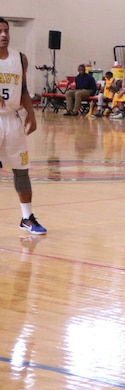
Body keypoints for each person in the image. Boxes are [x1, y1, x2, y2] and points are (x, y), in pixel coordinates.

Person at [0, 18, 45, 235]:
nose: (4, 35)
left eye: (6, 31)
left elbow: (24, 89)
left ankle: (27, 217)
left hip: (12, 119)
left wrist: (31, 112)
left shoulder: (20, 58)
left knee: (21, 169)